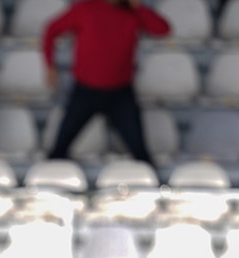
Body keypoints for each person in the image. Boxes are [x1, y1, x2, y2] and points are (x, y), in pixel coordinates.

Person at [42, 0, 170, 165]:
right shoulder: (86, 8)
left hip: (120, 93)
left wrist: (138, 7)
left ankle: (153, 186)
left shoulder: (133, 11)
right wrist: (50, 66)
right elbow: (51, 30)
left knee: (141, 154)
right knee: (58, 151)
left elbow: (162, 29)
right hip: (85, 91)